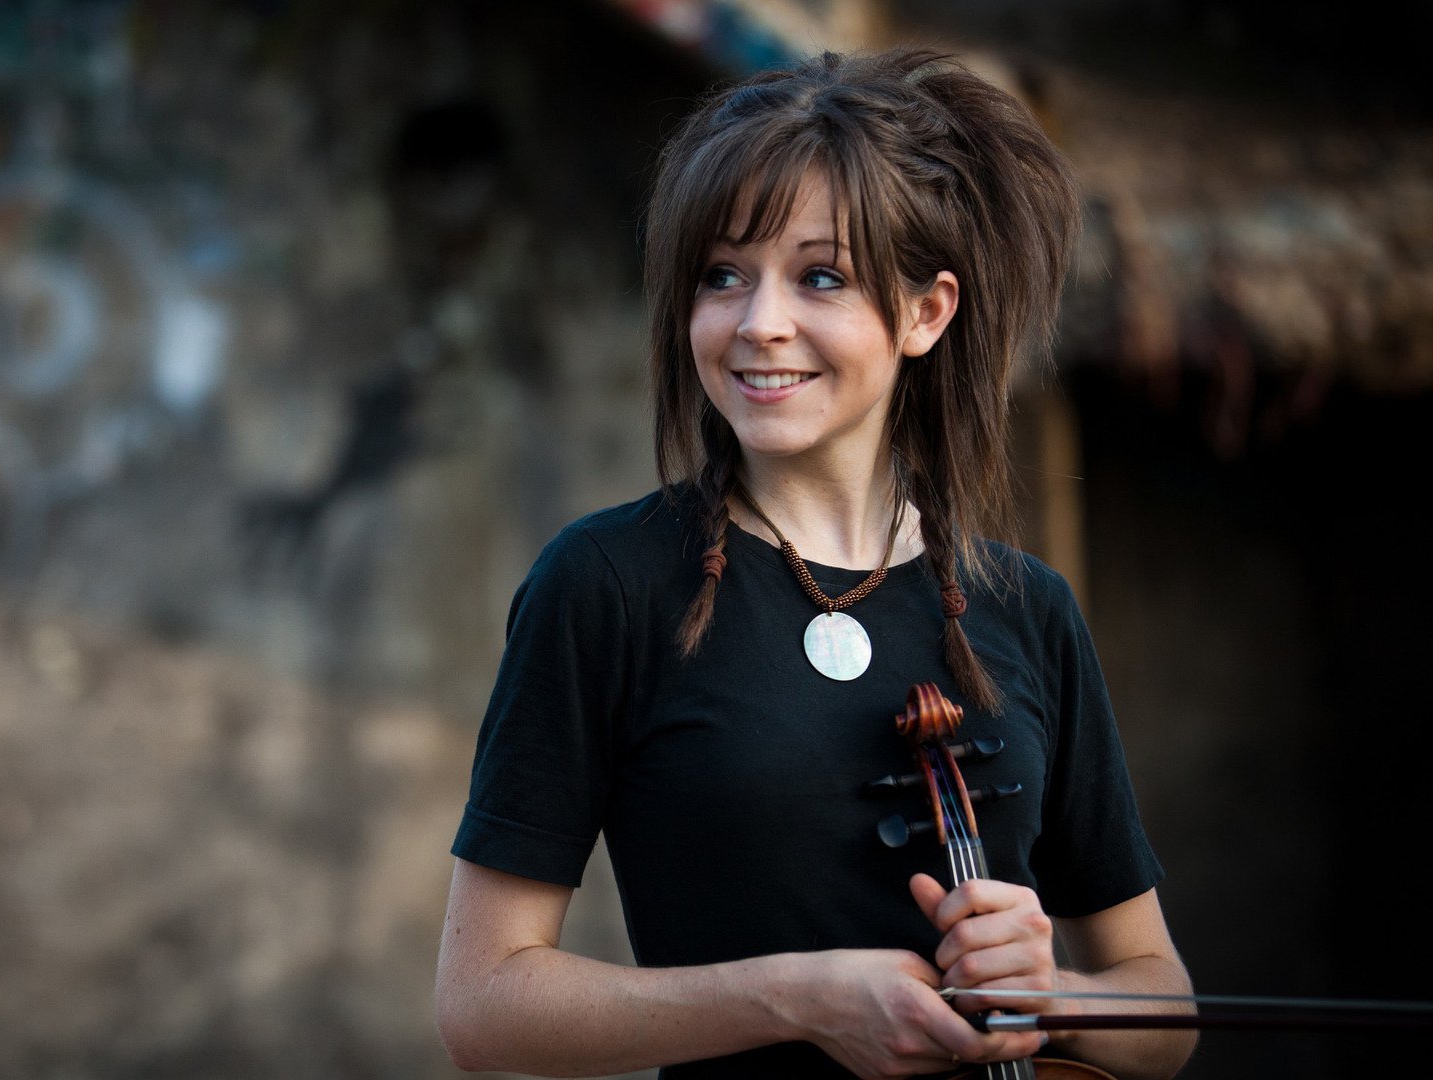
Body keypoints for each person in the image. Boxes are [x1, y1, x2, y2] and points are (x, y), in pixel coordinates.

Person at [432, 49, 1197, 1080]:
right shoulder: (605, 584)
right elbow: (484, 1006)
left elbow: (1164, 1015)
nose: (759, 324)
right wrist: (794, 998)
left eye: (821, 276)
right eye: (722, 275)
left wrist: (1052, 992)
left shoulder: (1027, 608)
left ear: (927, 312)